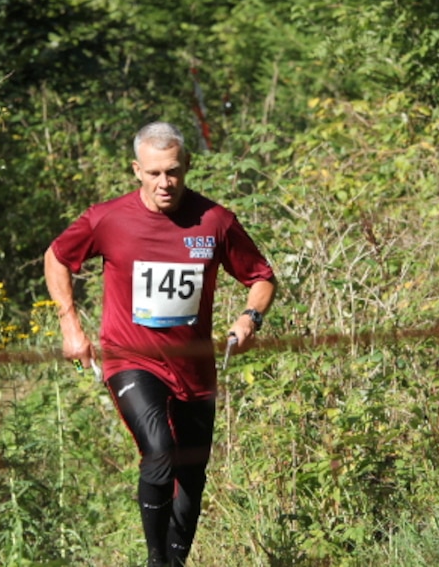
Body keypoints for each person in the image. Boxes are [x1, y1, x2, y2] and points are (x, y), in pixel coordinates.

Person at [44, 121, 277, 566]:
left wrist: (250, 318)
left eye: (172, 171)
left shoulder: (214, 221)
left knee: (191, 474)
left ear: (187, 165)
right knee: (159, 451)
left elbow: (261, 277)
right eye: (153, 173)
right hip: (130, 359)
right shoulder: (108, 218)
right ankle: (155, 561)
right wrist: (69, 326)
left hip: (194, 367)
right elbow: (57, 257)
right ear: (136, 170)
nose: (164, 183)